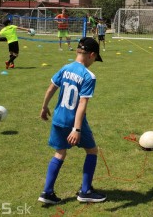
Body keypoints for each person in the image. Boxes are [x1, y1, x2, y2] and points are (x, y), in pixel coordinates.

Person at [38, 37, 106, 205]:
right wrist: (76, 129)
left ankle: (47, 192)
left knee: (60, 152)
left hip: (58, 117)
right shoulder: (88, 76)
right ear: (91, 55)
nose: (93, 63)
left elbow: (51, 87)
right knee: (92, 151)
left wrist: (44, 107)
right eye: (94, 59)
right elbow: (82, 103)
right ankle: (86, 191)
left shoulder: (65, 67)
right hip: (74, 121)